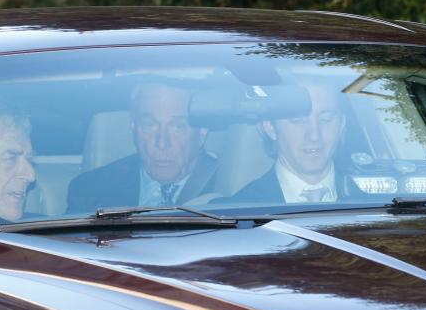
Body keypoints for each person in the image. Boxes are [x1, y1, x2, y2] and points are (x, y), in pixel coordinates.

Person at [67, 80, 217, 213]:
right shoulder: (91, 191)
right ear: (133, 125)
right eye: (150, 125)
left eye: (178, 127)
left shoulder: (231, 193)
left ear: (202, 131)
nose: (162, 143)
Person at [226, 80, 364, 203]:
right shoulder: (236, 212)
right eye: (298, 120)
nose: (314, 135)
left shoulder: (375, 201)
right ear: (270, 127)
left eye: (326, 118)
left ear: (342, 125)